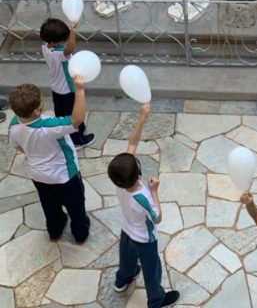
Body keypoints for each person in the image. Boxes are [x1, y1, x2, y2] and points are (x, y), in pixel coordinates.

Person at [107, 103, 180, 308]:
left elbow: (132, 144)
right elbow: (157, 217)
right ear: (138, 174)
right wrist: (155, 191)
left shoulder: (120, 182)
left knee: (127, 256)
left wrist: (142, 118)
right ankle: (157, 300)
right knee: (151, 268)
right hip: (145, 238)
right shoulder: (142, 197)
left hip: (127, 229)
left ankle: (123, 279)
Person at [8, 76, 90, 243]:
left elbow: (17, 147)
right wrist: (80, 90)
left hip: (39, 176)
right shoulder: (50, 126)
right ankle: (80, 233)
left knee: (49, 206)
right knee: (76, 205)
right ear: (38, 110)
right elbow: (76, 120)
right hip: (65, 175)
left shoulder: (13, 125)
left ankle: (55, 230)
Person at [40, 17, 95, 148]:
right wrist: (72, 30)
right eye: (63, 39)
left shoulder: (45, 47)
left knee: (62, 115)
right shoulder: (59, 54)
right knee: (74, 115)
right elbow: (70, 49)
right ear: (54, 41)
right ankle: (77, 140)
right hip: (67, 91)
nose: (65, 41)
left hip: (56, 89)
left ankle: (68, 134)